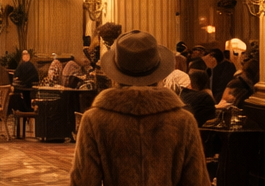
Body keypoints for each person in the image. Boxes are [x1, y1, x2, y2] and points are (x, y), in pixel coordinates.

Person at [69, 30, 209, 186]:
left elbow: (84, 181)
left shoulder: (95, 120)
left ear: (115, 75)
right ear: (158, 73)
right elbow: (197, 181)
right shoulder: (183, 121)